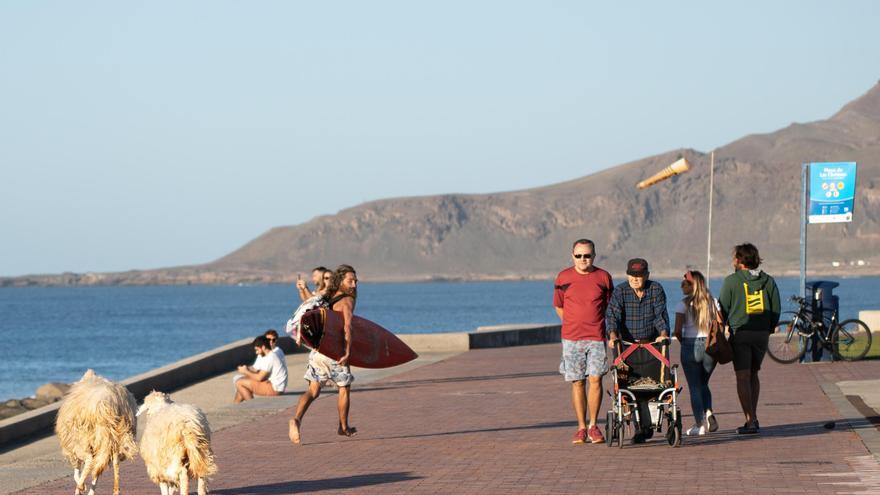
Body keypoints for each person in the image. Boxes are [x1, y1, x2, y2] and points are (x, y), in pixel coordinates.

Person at [289, 264, 358, 444]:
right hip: (335, 352)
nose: (354, 285)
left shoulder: (327, 297)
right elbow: (347, 326)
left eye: (356, 281)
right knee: (344, 388)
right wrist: (348, 351)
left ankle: (296, 419)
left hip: (318, 350)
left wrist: (302, 290)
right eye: (350, 281)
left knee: (313, 390)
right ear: (341, 281)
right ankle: (343, 427)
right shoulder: (347, 300)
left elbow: (308, 304)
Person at [553, 239, 614, 444]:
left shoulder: (603, 277)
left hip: (596, 338)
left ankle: (593, 426)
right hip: (571, 339)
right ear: (572, 256)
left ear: (594, 256)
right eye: (578, 255)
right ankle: (580, 427)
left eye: (587, 255)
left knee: (596, 379)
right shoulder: (563, 277)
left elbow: (609, 307)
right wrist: (572, 324)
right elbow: (559, 306)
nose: (582, 259)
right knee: (577, 381)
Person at [606, 258, 670, 443]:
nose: (635, 278)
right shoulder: (620, 291)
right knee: (629, 386)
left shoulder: (656, 289)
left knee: (652, 385)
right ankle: (640, 428)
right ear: (627, 275)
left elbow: (660, 315)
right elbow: (612, 316)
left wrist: (664, 334)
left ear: (647, 275)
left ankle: (650, 425)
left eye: (639, 275)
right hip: (626, 345)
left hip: (651, 344)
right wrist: (612, 336)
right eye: (632, 275)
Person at [718, 243, 780, 435]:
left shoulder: (731, 281)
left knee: (742, 376)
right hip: (762, 334)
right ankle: (753, 417)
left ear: (739, 260)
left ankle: (750, 420)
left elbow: (722, 309)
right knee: (754, 373)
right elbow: (776, 308)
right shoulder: (768, 281)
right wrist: (768, 328)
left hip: (741, 333)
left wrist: (723, 327)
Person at [673, 270, 719, 436]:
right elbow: (720, 323)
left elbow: (677, 330)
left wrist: (683, 341)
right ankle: (708, 412)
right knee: (703, 384)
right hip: (710, 346)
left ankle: (699, 424)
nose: (681, 286)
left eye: (684, 283)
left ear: (693, 285)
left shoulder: (682, 304)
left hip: (690, 345)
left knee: (694, 387)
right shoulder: (713, 302)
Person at [233, 336, 288, 403]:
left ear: (263, 347)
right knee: (242, 386)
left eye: (257, 350)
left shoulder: (271, 357)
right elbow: (258, 372)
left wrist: (245, 371)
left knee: (239, 383)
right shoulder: (269, 356)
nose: (256, 352)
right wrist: (247, 369)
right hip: (273, 385)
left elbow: (259, 378)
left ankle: (253, 406)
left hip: (275, 389)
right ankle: (234, 407)